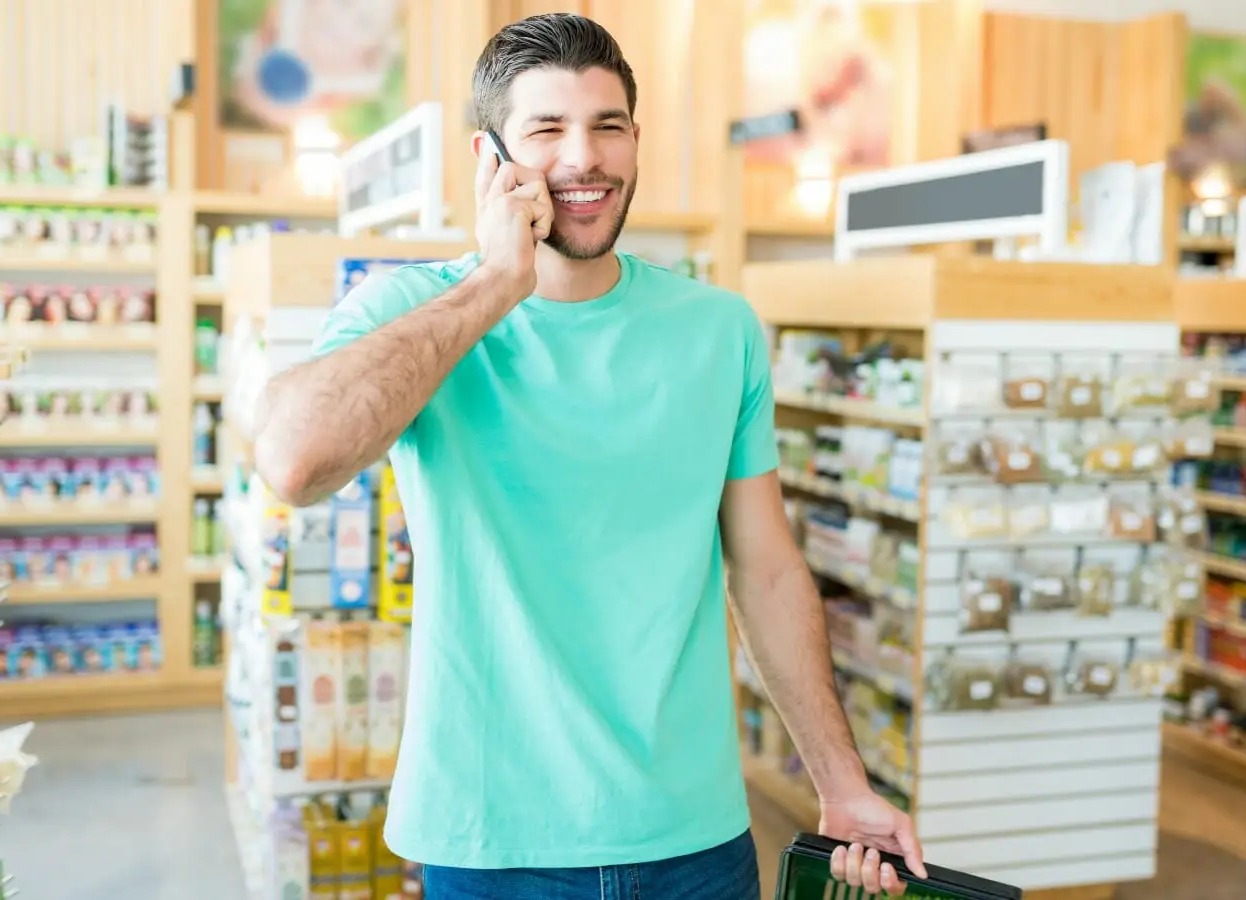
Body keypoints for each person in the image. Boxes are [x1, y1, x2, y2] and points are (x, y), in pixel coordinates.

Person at [252, 12, 925, 899]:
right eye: (547, 130)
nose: (584, 158)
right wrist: (497, 282)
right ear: (488, 158)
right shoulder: (414, 312)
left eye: (608, 127)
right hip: (493, 843)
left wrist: (840, 780)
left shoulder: (718, 329)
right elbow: (294, 461)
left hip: (697, 838)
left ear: (636, 142)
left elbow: (764, 571)